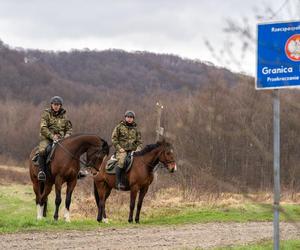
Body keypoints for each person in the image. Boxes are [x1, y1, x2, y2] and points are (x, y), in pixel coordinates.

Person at [37, 96, 72, 181]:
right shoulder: (46, 114)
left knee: (73, 150)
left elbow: (69, 129)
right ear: (51, 105)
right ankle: (42, 172)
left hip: (62, 139)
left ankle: (76, 172)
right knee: (42, 150)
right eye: (54, 104)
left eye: (58, 104)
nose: (56, 106)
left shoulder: (64, 116)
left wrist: (67, 136)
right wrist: (52, 136)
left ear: (60, 105)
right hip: (47, 138)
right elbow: (43, 128)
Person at [111, 110, 142, 190]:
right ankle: (118, 182)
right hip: (122, 150)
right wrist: (119, 148)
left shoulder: (136, 129)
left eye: (131, 117)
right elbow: (114, 139)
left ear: (133, 119)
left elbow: (139, 142)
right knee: (122, 161)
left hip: (133, 150)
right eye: (128, 117)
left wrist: (138, 149)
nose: (129, 119)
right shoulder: (119, 127)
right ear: (125, 117)